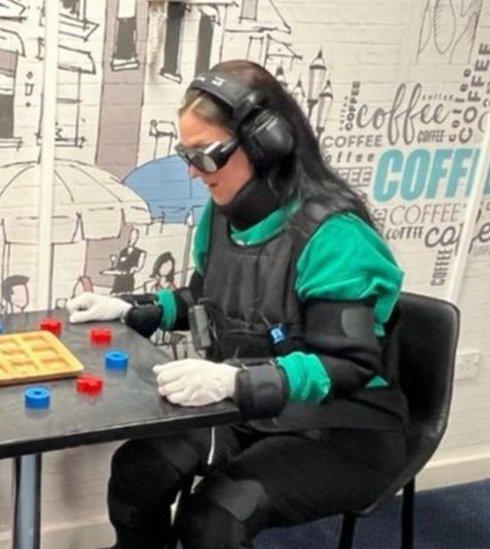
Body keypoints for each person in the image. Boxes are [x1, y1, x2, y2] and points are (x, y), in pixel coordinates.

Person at [67, 60, 407, 548]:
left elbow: (347, 364)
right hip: (253, 407)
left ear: (266, 143)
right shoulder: (223, 216)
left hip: (343, 426)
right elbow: (203, 299)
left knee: (214, 519)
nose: (193, 171)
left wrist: (234, 380)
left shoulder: (335, 236)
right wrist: (131, 309)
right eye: (187, 154)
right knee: (138, 470)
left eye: (206, 155)